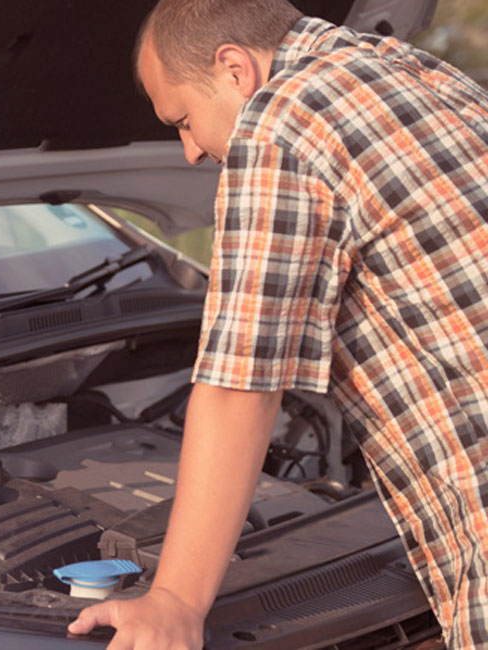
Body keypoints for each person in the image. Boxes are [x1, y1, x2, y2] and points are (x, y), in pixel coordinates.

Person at [66, 0, 488, 647]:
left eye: (182, 120)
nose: (189, 152)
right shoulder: (415, 73)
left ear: (234, 68)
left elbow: (242, 385)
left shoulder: (282, 122)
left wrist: (175, 600)